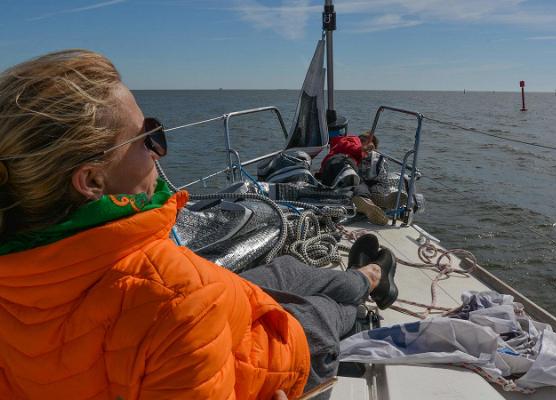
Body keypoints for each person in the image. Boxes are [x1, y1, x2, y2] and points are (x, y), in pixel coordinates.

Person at [0, 50, 398, 400]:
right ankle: (362, 301)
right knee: (320, 314)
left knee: (288, 271)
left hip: (211, 320)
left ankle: (369, 277)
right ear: (91, 181)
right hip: (278, 356)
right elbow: (167, 312)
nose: (158, 148)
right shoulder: (170, 296)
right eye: (146, 137)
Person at [319, 121, 389, 225]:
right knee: (356, 180)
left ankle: (371, 200)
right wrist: (361, 148)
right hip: (337, 163)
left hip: (347, 171)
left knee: (361, 184)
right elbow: (344, 145)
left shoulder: (365, 156)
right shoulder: (352, 140)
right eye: (364, 141)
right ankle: (370, 200)